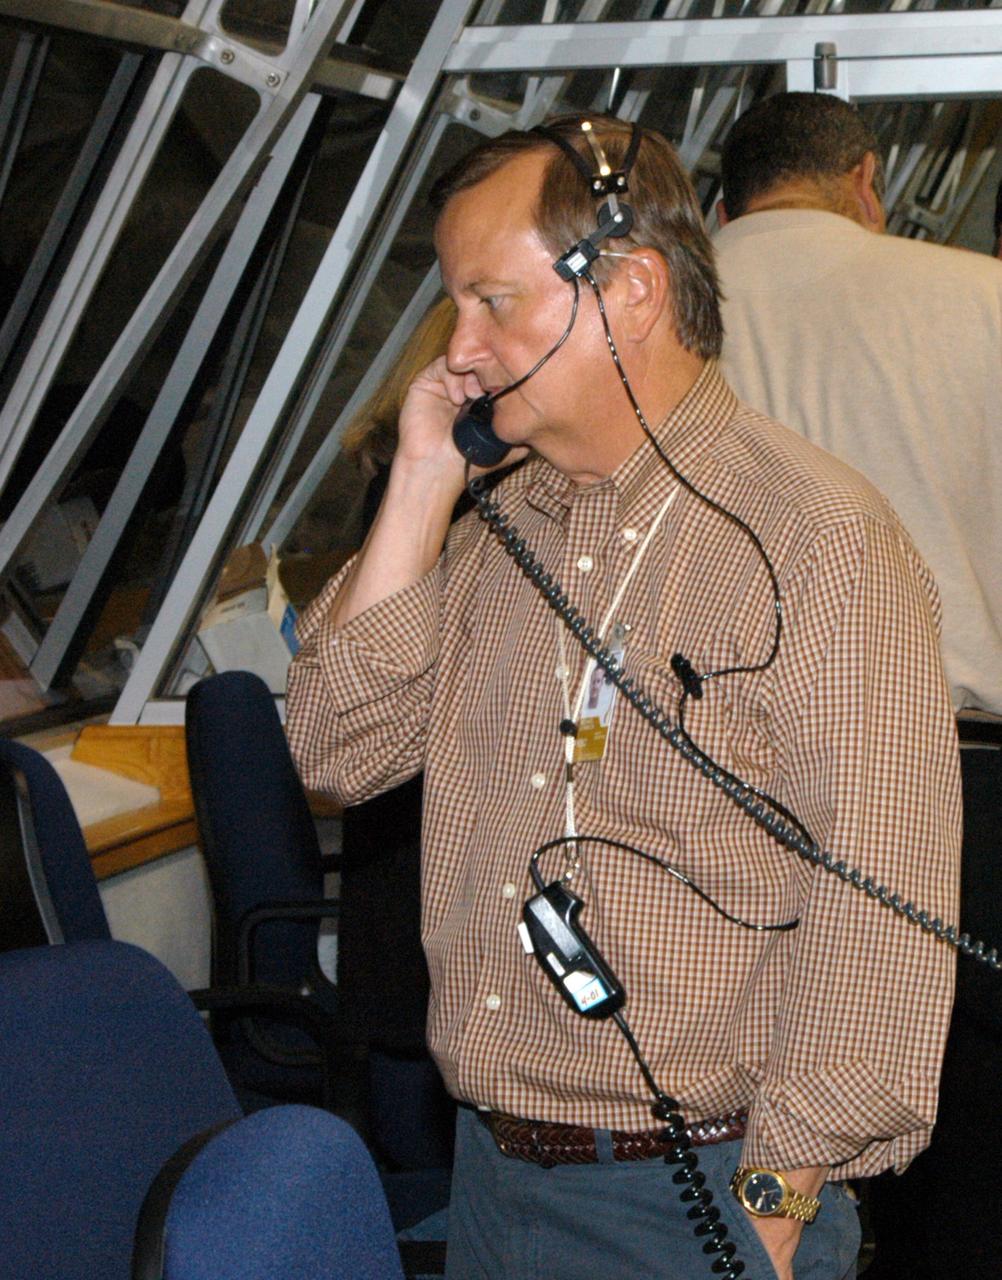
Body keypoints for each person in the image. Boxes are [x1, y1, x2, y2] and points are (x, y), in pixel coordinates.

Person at [286, 114, 960, 1280]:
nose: (463, 345)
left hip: (708, 1190)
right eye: (455, 305)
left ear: (631, 289)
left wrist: (777, 1200)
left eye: (493, 301)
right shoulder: (496, 529)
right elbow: (333, 751)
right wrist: (420, 481)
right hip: (492, 1175)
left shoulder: (816, 539)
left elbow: (882, 906)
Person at [714, 90, 1002, 1279]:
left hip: (726, 801)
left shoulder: (652, 322)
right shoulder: (979, 297)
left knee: (767, 1138)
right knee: (971, 1155)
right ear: (866, 179)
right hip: (961, 783)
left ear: (723, 201)